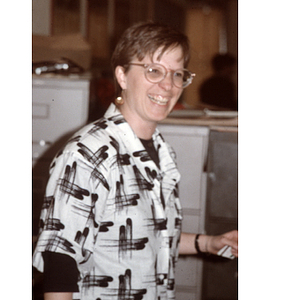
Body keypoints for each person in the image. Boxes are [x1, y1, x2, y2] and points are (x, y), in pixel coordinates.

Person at [32, 22, 238, 300]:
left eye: (177, 74)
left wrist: (209, 243)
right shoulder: (87, 152)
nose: (168, 85)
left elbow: (149, 238)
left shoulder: (161, 152)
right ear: (123, 76)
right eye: (154, 71)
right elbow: (60, 260)